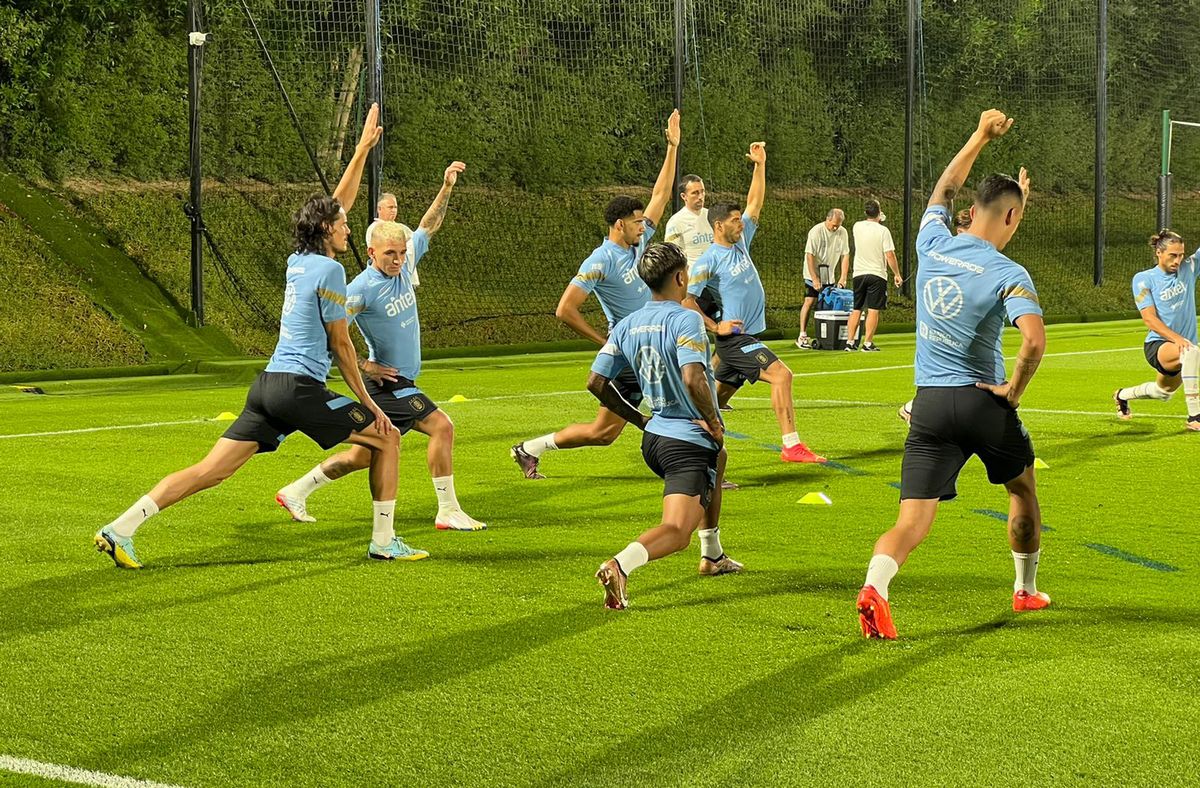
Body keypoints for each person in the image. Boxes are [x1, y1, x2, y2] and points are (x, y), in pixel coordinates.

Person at [94, 105, 429, 567]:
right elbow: (342, 346)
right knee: (386, 438)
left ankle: (120, 528)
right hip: (299, 389)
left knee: (211, 471)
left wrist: (360, 152)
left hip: (268, 386)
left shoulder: (299, 259)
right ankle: (384, 541)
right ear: (328, 231)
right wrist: (373, 406)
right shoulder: (330, 268)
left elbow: (335, 205)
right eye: (345, 225)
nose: (351, 227)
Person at [857, 109, 1048, 640]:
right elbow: (1033, 341)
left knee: (911, 523)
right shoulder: (1010, 273)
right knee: (1021, 491)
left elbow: (946, 186)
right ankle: (1026, 589)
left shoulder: (932, 243)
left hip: (931, 405)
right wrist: (1012, 389)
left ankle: (876, 588)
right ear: (1010, 218)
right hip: (985, 404)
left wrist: (981, 136)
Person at [275, 162, 488, 532]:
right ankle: (448, 510)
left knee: (362, 455)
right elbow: (332, 334)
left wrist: (446, 186)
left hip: (403, 381)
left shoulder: (405, 267)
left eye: (402, 252)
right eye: (390, 254)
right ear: (371, 253)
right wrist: (367, 366)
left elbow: (428, 225)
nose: (398, 259)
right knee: (443, 426)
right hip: (388, 385)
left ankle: (295, 490)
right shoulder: (359, 289)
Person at [510, 110, 679, 480]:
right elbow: (565, 309)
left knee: (603, 434)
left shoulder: (638, 244)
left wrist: (672, 147)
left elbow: (661, 194)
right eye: (637, 222)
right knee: (680, 399)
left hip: (647, 343)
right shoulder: (600, 260)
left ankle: (528, 448)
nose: (644, 226)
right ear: (620, 225)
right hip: (630, 349)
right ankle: (696, 470)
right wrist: (605, 341)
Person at [590, 244, 741, 610]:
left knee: (718, 463)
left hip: (655, 437)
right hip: (685, 441)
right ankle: (620, 565)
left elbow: (595, 382)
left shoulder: (627, 324)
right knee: (676, 531)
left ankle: (713, 555)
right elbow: (693, 378)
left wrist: (639, 418)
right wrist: (713, 422)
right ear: (679, 277)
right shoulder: (686, 318)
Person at [683, 142, 825, 464]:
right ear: (719, 226)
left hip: (746, 337)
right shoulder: (708, 260)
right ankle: (791, 445)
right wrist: (715, 325)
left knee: (713, 402)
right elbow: (687, 300)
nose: (741, 223)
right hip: (735, 338)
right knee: (781, 375)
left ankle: (689, 441)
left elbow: (755, 203)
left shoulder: (741, 242)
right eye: (735, 220)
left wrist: (759, 166)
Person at [1113, 229, 1200, 430]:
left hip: (1181, 349)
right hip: (1158, 344)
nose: (1178, 260)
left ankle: (1121, 396)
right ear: (1159, 253)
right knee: (1191, 350)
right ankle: (1195, 417)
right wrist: (1177, 339)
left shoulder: (1189, 267)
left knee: (1163, 392)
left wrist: (1181, 342)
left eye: (1181, 255)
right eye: (1172, 255)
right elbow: (1150, 319)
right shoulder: (1144, 279)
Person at [898, 208, 975, 424]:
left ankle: (918, 407)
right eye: (960, 233)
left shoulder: (975, 254)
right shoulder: (944, 254)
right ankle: (920, 407)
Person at [844, 200, 902, 352]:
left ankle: (850, 342)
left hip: (859, 273)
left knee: (856, 308)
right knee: (873, 309)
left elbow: (870, 224)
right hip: (877, 274)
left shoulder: (857, 226)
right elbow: (889, 254)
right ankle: (868, 343)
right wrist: (897, 274)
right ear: (879, 212)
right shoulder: (883, 231)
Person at [796, 209, 849, 349]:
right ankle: (802, 335)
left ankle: (825, 337)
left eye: (839, 225)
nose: (836, 227)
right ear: (827, 219)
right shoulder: (816, 231)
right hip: (812, 273)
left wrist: (843, 277)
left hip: (829, 275)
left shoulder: (843, 232)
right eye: (834, 225)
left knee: (827, 305)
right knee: (810, 301)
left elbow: (845, 255)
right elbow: (809, 255)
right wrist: (814, 278)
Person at [366, 192, 419, 287]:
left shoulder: (403, 228)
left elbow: (416, 245)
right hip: (387, 280)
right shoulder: (374, 229)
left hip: (407, 279)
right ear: (379, 209)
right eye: (390, 207)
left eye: (395, 207)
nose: (394, 210)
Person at [664, 175, 713, 267]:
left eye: (702, 192)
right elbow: (671, 256)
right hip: (693, 278)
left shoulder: (712, 216)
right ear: (684, 196)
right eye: (695, 193)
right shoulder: (675, 222)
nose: (700, 197)